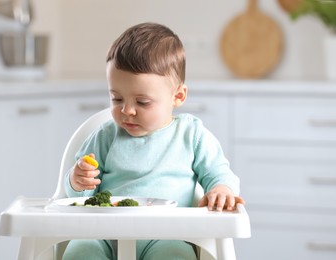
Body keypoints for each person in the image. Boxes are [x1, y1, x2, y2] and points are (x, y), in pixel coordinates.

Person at [63, 22, 245, 260]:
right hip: (105, 234)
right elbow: (76, 198)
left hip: (167, 234)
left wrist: (221, 190)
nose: (127, 110)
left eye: (142, 102)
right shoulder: (105, 136)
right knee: (80, 251)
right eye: (117, 99)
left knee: (174, 255)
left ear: (177, 96)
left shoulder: (191, 135)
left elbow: (219, 173)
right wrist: (77, 182)